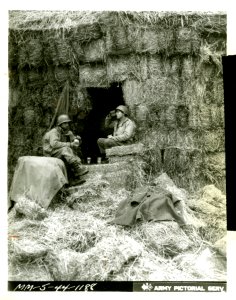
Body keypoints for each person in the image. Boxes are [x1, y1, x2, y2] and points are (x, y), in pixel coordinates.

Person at [43, 114, 88, 185]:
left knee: (70, 153)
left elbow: (75, 146)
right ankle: (77, 169)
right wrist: (69, 144)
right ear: (60, 124)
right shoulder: (54, 132)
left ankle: (73, 179)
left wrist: (77, 140)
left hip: (60, 152)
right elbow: (54, 144)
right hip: (50, 153)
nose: (67, 125)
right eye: (65, 123)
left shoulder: (67, 132)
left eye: (68, 123)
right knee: (66, 149)